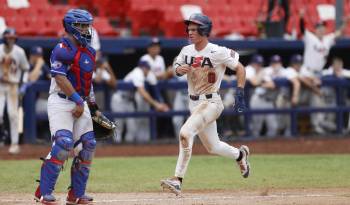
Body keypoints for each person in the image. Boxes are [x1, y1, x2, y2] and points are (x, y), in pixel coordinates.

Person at [160, 13, 250, 195]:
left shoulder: (218, 51)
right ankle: (240, 155)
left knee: (185, 133)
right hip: (193, 103)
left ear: (204, 30)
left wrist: (240, 91)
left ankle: (177, 179)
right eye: (189, 29)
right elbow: (175, 68)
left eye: (194, 29)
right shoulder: (186, 51)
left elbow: (240, 68)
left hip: (211, 102)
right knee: (213, 147)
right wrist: (178, 69)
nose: (190, 32)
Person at [34, 9, 101, 204]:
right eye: (82, 25)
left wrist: (93, 105)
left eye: (88, 25)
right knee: (63, 143)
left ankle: (76, 194)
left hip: (81, 101)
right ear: (72, 26)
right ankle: (43, 192)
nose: (87, 29)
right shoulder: (61, 48)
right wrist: (79, 102)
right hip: (61, 100)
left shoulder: (90, 51)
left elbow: (87, 81)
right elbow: (60, 77)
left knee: (88, 145)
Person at [299, 10, 349, 134]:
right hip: (307, 72)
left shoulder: (328, 39)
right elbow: (301, 29)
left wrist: (345, 23)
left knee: (322, 100)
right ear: (315, 30)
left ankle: (320, 126)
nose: (321, 30)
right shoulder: (310, 37)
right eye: (319, 28)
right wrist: (301, 18)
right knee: (314, 97)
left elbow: (338, 33)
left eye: (323, 28)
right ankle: (317, 126)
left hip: (319, 74)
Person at [111, 60, 169, 143]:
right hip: (119, 100)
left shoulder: (144, 74)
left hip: (129, 101)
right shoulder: (138, 72)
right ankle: (115, 151)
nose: (148, 71)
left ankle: (127, 152)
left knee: (132, 128)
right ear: (144, 68)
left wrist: (160, 103)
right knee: (119, 127)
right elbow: (142, 91)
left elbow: (154, 85)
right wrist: (156, 104)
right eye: (148, 69)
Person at [0, 28, 30, 154]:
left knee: (13, 115)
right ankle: (3, 136)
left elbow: (26, 68)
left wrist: (24, 84)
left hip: (13, 85)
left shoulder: (19, 52)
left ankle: (14, 143)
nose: (11, 40)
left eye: (13, 38)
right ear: (4, 38)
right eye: (9, 37)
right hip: (0, 85)